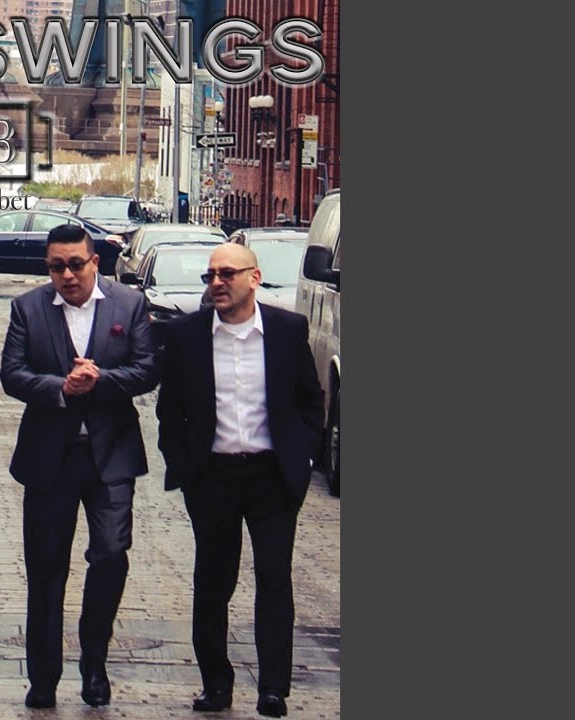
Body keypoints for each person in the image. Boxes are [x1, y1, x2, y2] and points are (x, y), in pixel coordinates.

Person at [155, 243, 324, 718]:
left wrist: (303, 457)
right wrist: (185, 467)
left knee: (274, 578)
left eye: (227, 274)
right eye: (210, 275)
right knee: (213, 582)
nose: (217, 283)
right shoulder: (186, 335)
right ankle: (216, 684)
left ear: (254, 278)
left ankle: (273, 689)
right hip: (213, 477)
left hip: (272, 477)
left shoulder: (288, 331)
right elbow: (170, 410)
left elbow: (311, 400)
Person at [0, 223, 158, 709]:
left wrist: (101, 380)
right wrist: (60, 388)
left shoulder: (128, 305)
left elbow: (148, 368)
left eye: (74, 265)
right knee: (47, 569)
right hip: (50, 456)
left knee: (110, 555)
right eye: (56, 267)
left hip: (111, 456)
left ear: (94, 262)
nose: (66, 276)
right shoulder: (27, 308)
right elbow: (12, 373)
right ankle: (43, 676)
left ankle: (94, 661)